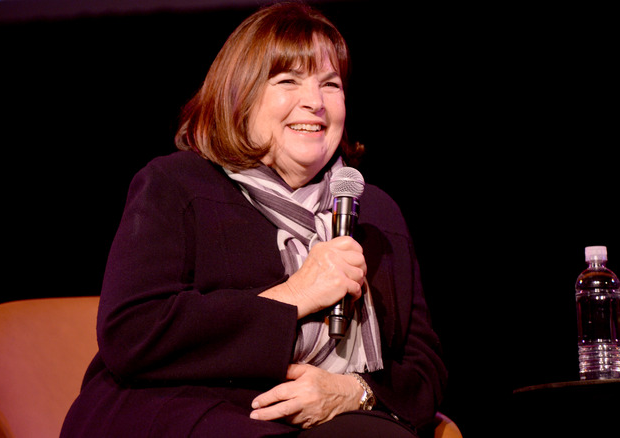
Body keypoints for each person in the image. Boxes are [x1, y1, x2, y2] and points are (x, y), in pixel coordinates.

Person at [60, 3, 446, 437]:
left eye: (330, 84)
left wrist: (352, 390)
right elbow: (131, 333)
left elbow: (424, 366)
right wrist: (294, 294)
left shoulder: (373, 212)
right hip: (187, 411)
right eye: (288, 81)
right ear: (240, 95)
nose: (314, 102)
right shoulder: (177, 184)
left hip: (330, 420)